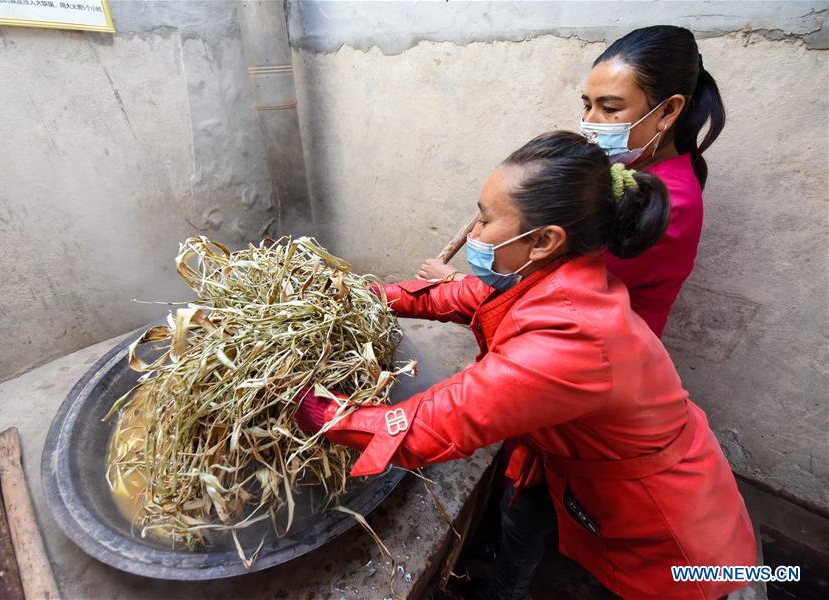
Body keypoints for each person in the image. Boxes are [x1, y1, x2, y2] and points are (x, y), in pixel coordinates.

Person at [296, 131, 755, 599]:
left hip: (685, 551)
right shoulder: (552, 277)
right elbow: (458, 295)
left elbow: (435, 421)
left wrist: (316, 409)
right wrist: (361, 297)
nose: (473, 233)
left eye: (486, 219)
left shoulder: (573, 337)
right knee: (526, 521)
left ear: (542, 241)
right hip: (587, 467)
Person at [418, 25, 724, 338]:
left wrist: (453, 282)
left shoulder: (671, 201)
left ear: (668, 110)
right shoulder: (614, 169)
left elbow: (555, 289)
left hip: (592, 351)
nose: (589, 122)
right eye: (587, 105)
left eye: (609, 108)